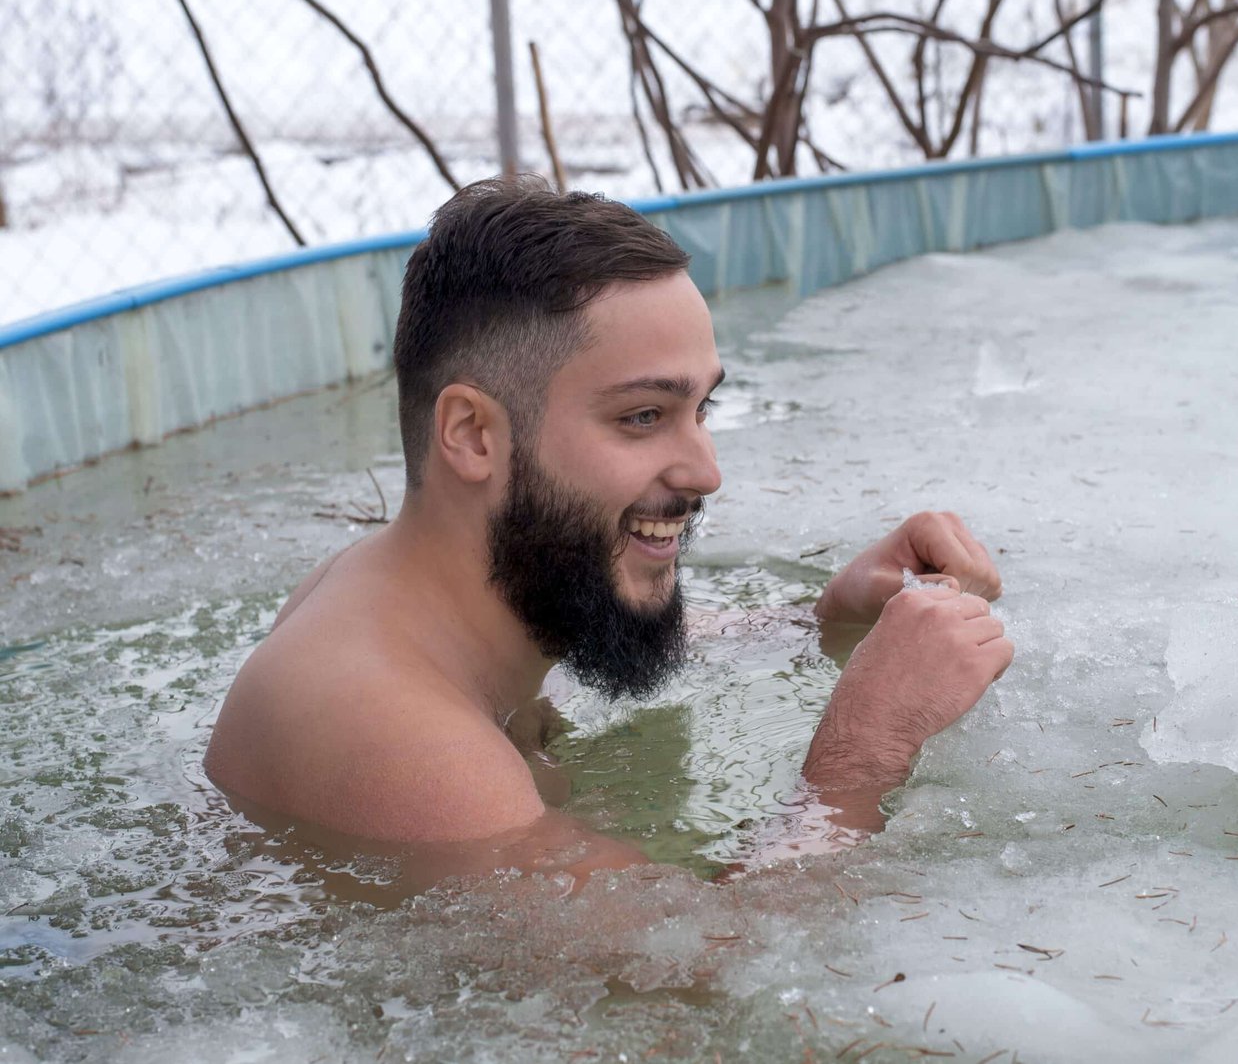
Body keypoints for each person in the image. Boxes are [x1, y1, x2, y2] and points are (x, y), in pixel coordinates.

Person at [204, 176, 1013, 883]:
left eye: (701, 409)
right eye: (642, 416)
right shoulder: (396, 738)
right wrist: (863, 752)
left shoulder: (420, 601)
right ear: (473, 435)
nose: (706, 471)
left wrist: (820, 622)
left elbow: (593, 629)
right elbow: (709, 982)